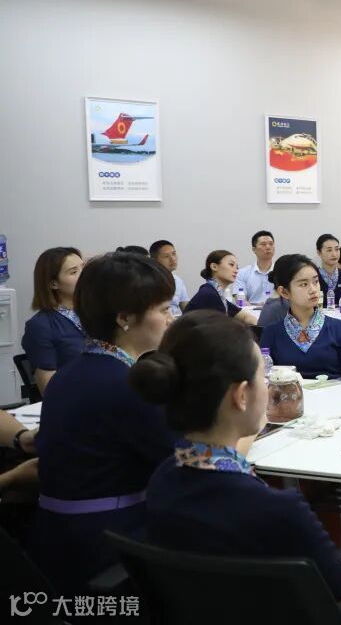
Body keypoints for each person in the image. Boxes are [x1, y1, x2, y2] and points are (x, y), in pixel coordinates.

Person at [135, 311, 341, 625]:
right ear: (241, 395)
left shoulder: (162, 482)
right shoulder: (277, 508)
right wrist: (340, 570)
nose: (268, 388)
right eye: (262, 377)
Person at [30, 252, 176, 592]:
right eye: (164, 310)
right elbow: (189, 461)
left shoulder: (73, 372)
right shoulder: (127, 385)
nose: (171, 319)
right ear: (124, 318)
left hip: (58, 539)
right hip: (108, 547)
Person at [261, 255, 341, 381]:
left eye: (315, 282)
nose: (313, 290)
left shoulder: (340, 328)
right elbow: (263, 378)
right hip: (289, 393)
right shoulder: (271, 333)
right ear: (284, 292)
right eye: (304, 284)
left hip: (334, 393)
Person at [21, 247, 84, 394]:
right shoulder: (40, 326)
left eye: (84, 268)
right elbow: (49, 390)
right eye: (74, 272)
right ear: (53, 284)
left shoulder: (95, 313)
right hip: (77, 400)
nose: (85, 275)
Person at [186, 250, 257, 325]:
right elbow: (223, 328)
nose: (236, 271)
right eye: (231, 264)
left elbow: (245, 316)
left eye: (237, 267)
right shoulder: (209, 294)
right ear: (214, 267)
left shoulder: (217, 294)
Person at [150, 240, 190, 316]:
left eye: (174, 254)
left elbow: (187, 309)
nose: (173, 259)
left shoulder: (178, 281)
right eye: (166, 256)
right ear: (154, 261)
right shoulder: (149, 282)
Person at [236, 230, 276, 304]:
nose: (268, 247)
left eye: (271, 244)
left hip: (276, 309)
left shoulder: (281, 272)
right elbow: (240, 299)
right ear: (254, 249)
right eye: (263, 244)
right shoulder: (242, 273)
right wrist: (255, 307)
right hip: (250, 309)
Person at [316, 234, 341, 307]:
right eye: (329, 250)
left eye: (337, 249)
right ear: (319, 253)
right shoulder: (314, 277)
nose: (334, 254)